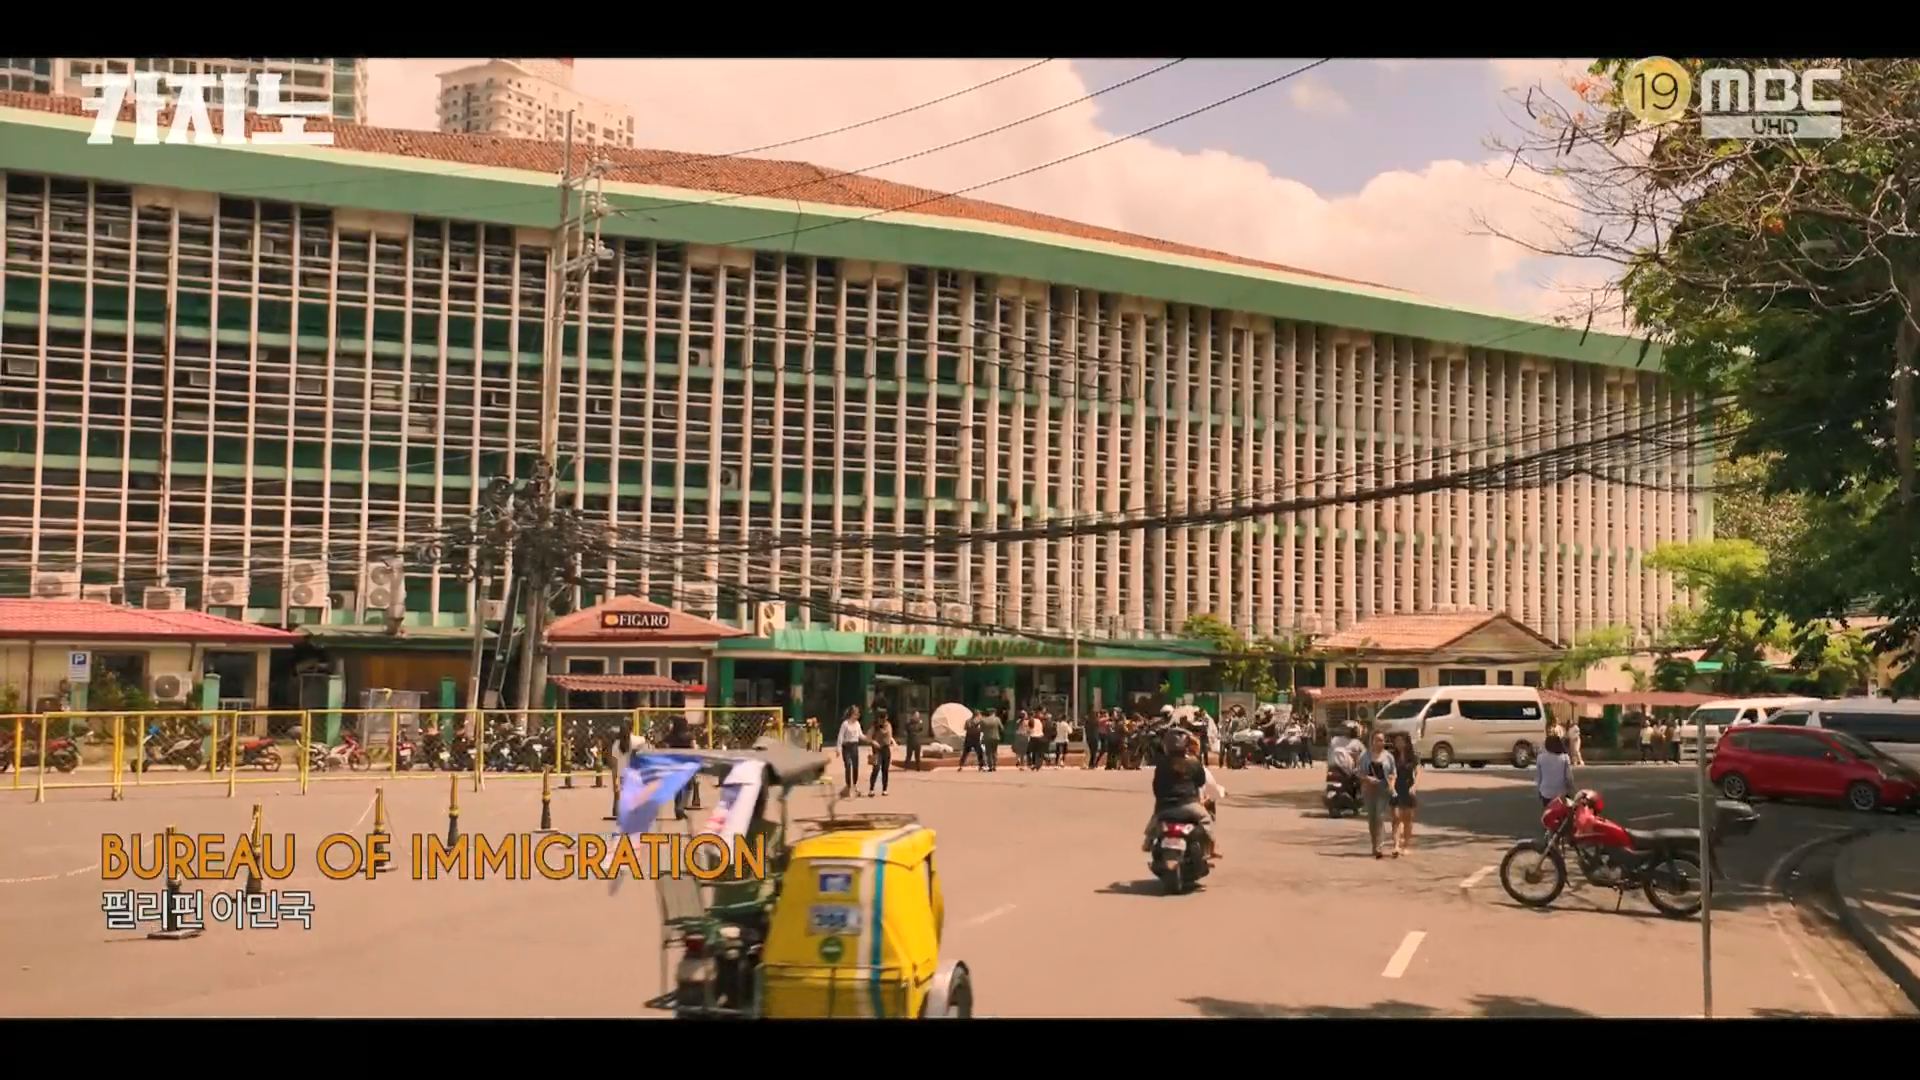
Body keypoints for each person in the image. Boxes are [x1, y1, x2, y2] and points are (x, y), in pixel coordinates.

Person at [1142, 728, 1219, 859]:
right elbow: (1200, 782)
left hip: (1165, 807)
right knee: (1206, 820)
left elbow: (1156, 787)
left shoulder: (1162, 765)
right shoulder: (1193, 763)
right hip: (1189, 806)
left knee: (1154, 822)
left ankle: (1148, 842)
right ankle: (1212, 848)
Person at [1361, 730, 1396, 859]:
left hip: (1383, 790)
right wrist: (1368, 778)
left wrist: (1391, 784)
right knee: (1372, 819)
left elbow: (1393, 773)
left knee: (1380, 816)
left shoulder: (1388, 757)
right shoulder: (1365, 756)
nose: (1380, 742)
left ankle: (1379, 847)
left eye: (1382, 740)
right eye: (1377, 740)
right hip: (1369, 790)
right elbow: (1359, 772)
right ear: (1372, 741)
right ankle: (1374, 843)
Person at [1390, 731, 1419, 857]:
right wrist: (1391, 786)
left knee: (1408, 819)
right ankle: (1396, 845)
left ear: (1406, 742)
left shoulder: (1412, 757)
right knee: (1396, 817)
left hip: (1408, 787)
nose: (1398, 744)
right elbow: (1389, 772)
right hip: (1396, 787)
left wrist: (1415, 785)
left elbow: (1418, 772)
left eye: (1401, 741)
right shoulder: (1392, 756)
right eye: (1396, 741)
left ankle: (1406, 845)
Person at [665, 715, 699, 819]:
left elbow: (665, 747)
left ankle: (677, 807)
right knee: (689, 786)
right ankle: (682, 807)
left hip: (674, 764)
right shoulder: (689, 736)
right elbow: (694, 748)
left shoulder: (670, 736)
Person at [1536, 732, 1574, 807]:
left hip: (1546, 792)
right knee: (1563, 812)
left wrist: (1539, 790)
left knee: (1549, 812)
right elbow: (1569, 777)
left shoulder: (1540, 758)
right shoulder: (1564, 757)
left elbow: (1539, 777)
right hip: (1561, 792)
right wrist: (1571, 790)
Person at [836, 706, 865, 797]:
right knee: (848, 765)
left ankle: (855, 785)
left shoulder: (857, 724)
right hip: (846, 747)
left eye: (858, 714)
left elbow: (860, 735)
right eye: (856, 714)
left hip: (854, 746)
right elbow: (840, 736)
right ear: (852, 714)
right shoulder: (845, 724)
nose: (858, 716)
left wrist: (868, 739)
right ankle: (848, 785)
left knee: (855, 766)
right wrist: (838, 748)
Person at [867, 712, 894, 796]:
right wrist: (873, 742)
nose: (883, 721)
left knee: (885, 769)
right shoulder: (874, 726)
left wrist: (893, 741)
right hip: (877, 749)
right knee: (876, 768)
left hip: (886, 749)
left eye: (885, 719)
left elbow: (889, 735)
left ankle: (884, 789)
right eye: (882, 719)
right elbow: (868, 737)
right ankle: (871, 789)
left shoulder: (888, 725)